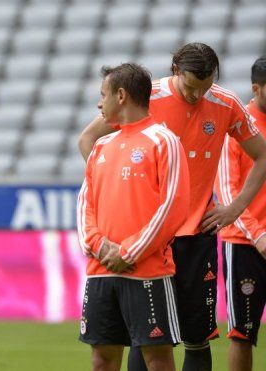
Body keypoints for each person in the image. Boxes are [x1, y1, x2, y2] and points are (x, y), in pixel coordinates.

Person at [78, 43, 266, 371]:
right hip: (146, 239)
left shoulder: (225, 103)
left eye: (205, 88)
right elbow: (89, 140)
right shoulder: (147, 98)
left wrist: (234, 208)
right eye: (191, 87)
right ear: (176, 71)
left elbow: (262, 155)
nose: (197, 96)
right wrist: (117, 191)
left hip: (196, 234)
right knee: (148, 336)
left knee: (197, 337)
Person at [78, 62, 190, 371]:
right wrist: (100, 247)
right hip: (101, 271)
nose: (100, 103)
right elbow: (85, 203)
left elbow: (173, 205)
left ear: (122, 95)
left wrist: (128, 251)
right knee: (101, 360)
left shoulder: (163, 141)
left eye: (104, 95)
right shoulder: (101, 145)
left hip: (147, 272)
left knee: (158, 361)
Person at [214, 56, 266, 371]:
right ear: (256, 88)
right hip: (245, 244)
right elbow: (228, 191)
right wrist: (259, 236)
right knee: (242, 333)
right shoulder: (239, 126)